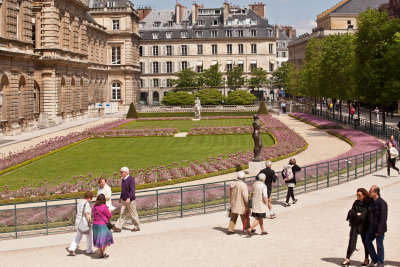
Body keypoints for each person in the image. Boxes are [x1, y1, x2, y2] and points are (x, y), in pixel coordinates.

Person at [342, 188, 371, 266]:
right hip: (355, 224)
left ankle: (366, 259)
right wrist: (356, 214)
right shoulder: (356, 202)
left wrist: (356, 214)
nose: (357, 196)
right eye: (357, 194)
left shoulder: (367, 203)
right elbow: (351, 212)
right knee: (351, 241)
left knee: (365, 242)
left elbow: (362, 216)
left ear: (364, 195)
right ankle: (347, 258)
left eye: (359, 195)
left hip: (364, 226)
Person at [365, 186, 388, 267]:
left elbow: (383, 218)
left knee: (379, 246)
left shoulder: (382, 203)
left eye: (370, 191)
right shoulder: (372, 201)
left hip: (379, 229)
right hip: (371, 227)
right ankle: (374, 259)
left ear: (376, 193)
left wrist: (379, 231)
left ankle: (380, 262)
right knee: (367, 242)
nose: (369, 193)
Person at [67, 191, 94, 256]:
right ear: (89, 197)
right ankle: (89, 250)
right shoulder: (86, 203)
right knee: (89, 236)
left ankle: (72, 248)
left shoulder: (80, 202)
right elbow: (86, 213)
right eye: (91, 198)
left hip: (78, 220)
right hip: (84, 221)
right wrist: (89, 222)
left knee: (78, 236)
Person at [113, 167, 140, 232]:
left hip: (130, 200)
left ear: (126, 172)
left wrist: (129, 198)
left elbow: (132, 190)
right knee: (122, 213)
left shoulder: (130, 179)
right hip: (124, 200)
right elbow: (123, 190)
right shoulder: (123, 179)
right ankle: (118, 227)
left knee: (133, 213)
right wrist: (120, 197)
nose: (121, 173)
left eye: (121, 172)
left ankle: (137, 226)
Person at [92, 194, 114, 258]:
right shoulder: (104, 206)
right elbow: (109, 216)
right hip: (103, 225)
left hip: (95, 224)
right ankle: (103, 252)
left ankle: (100, 252)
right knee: (108, 238)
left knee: (98, 239)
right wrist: (110, 211)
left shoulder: (94, 206)